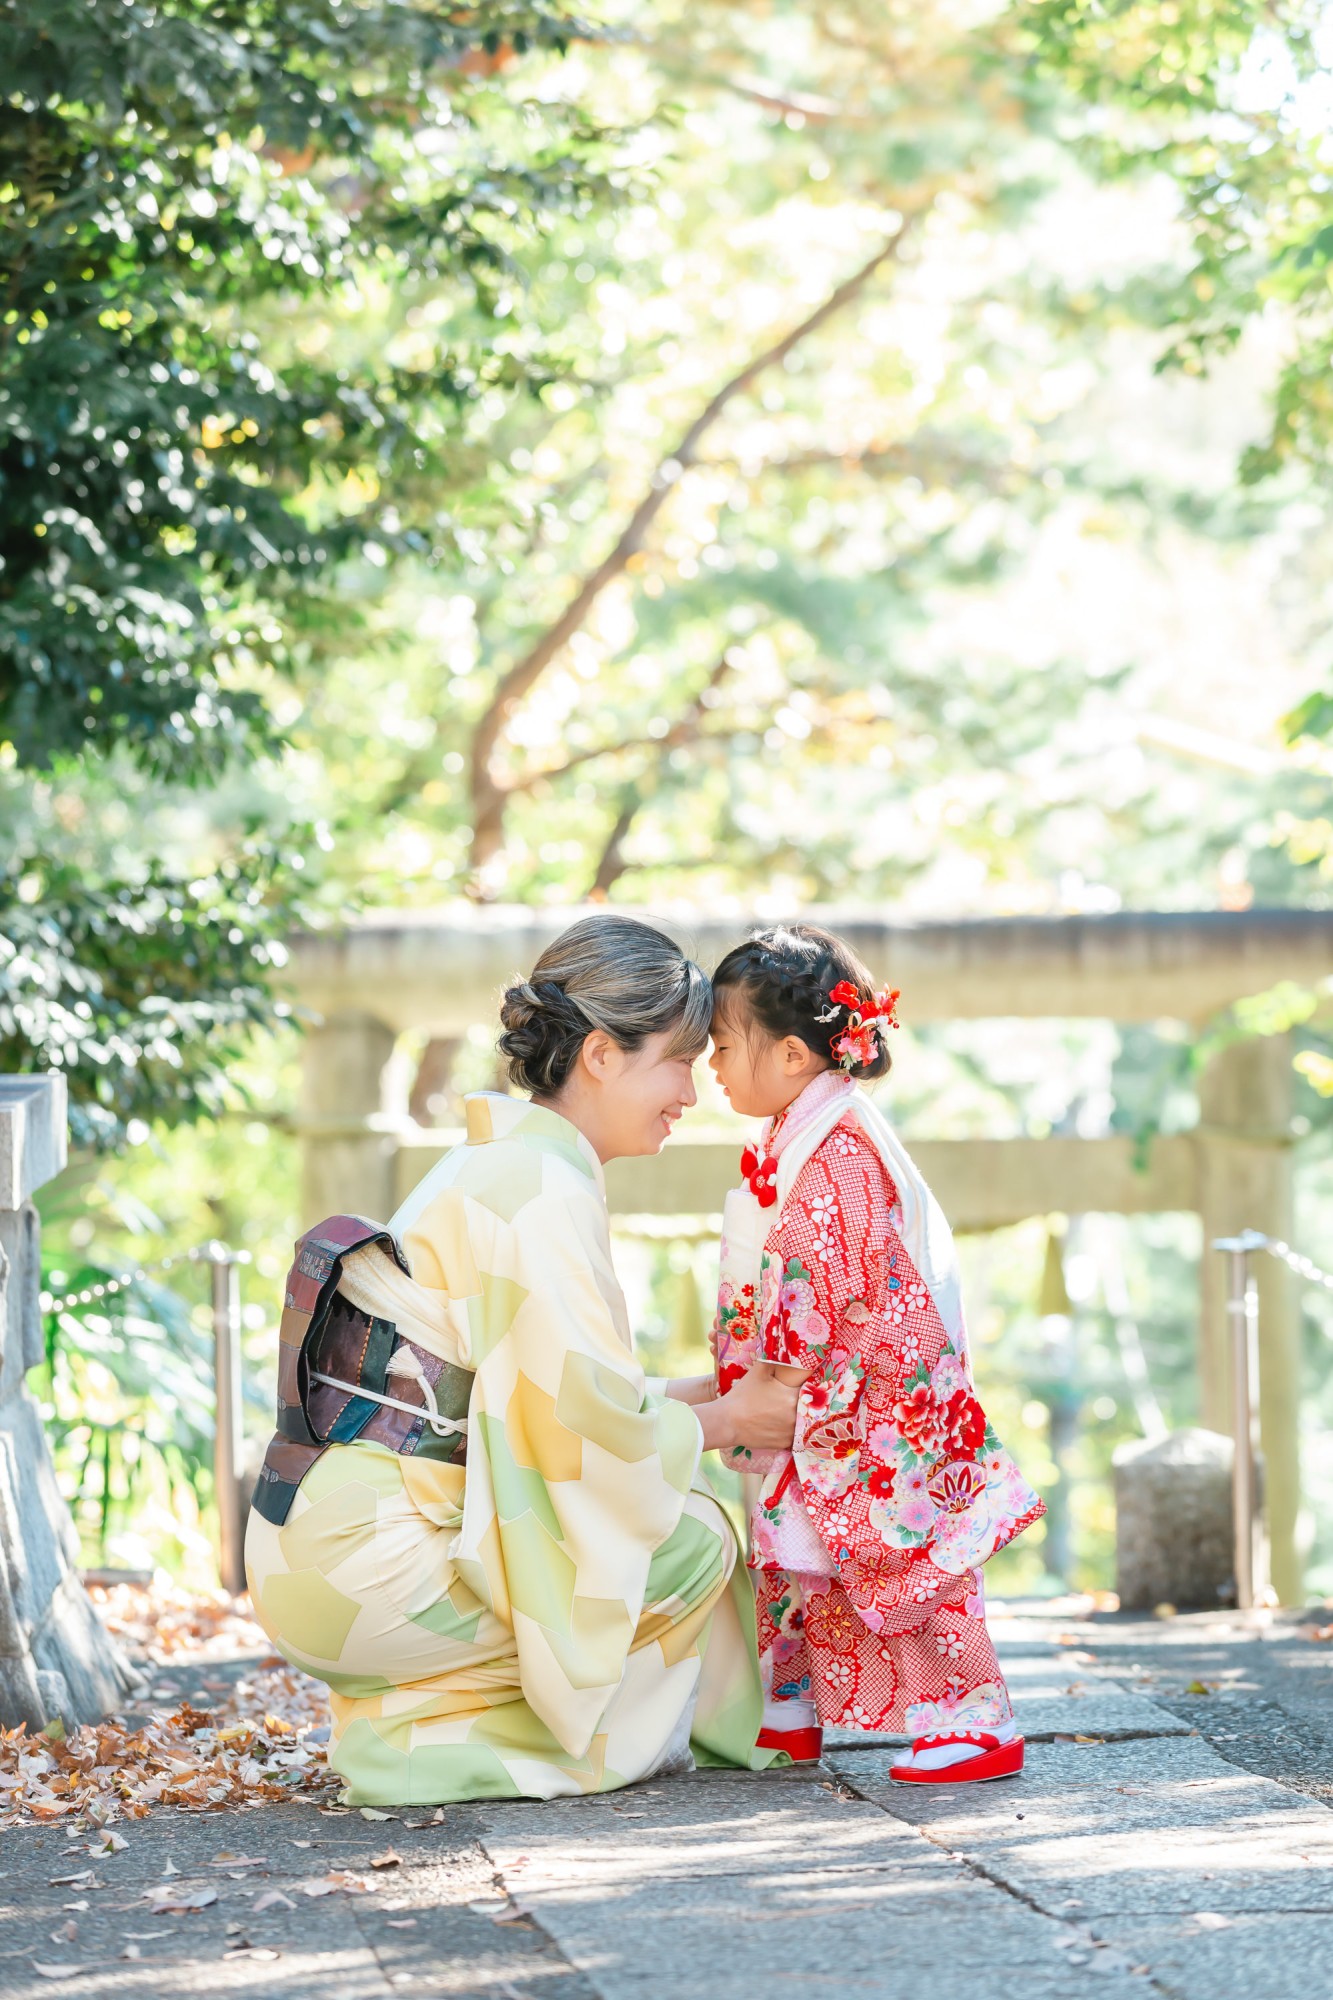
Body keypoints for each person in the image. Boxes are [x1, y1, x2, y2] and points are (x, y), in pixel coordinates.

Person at [245, 915, 799, 1804]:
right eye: (678, 1061)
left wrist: (689, 1397)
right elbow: (576, 1432)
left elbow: (530, 1393)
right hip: (372, 1568)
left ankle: (414, 1720)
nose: (690, 1092)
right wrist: (729, 1419)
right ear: (601, 1056)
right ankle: (443, 1747)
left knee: (654, 1522)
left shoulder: (500, 1162)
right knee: (691, 1540)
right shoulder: (539, 1189)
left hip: (325, 1544)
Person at [707, 923, 1045, 1782]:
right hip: (832, 1391)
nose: (710, 1062)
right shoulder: (806, 1133)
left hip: (864, 1395)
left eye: (722, 1044)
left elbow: (816, 1265)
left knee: (903, 1555)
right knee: (796, 1554)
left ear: (790, 1054)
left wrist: (778, 1375)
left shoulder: (837, 1149)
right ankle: (788, 1707)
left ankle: (975, 1720)